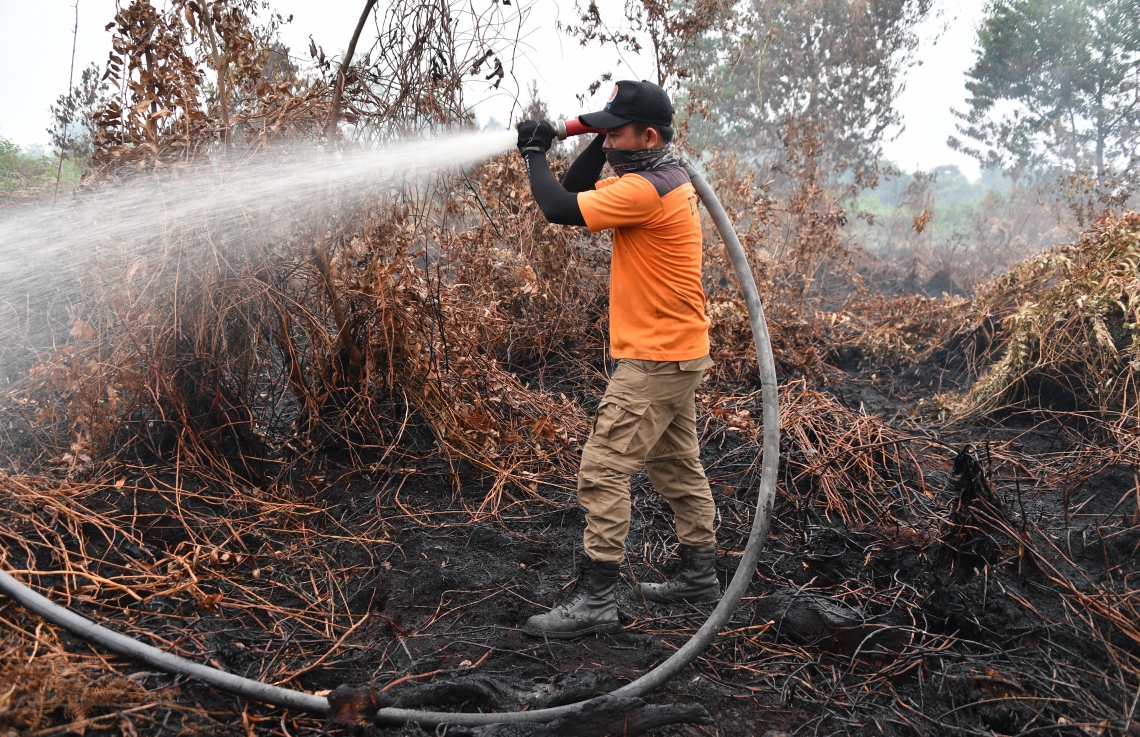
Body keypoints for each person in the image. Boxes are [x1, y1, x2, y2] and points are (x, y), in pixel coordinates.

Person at [515, 79, 719, 639]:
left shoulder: (643, 192)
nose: (608, 143)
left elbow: (558, 207)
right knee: (675, 465)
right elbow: (581, 186)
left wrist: (535, 154)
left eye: (617, 133)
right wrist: (596, 136)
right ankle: (701, 577)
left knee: (603, 469)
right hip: (680, 352)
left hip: (654, 359)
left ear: (648, 135)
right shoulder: (665, 176)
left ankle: (597, 600)